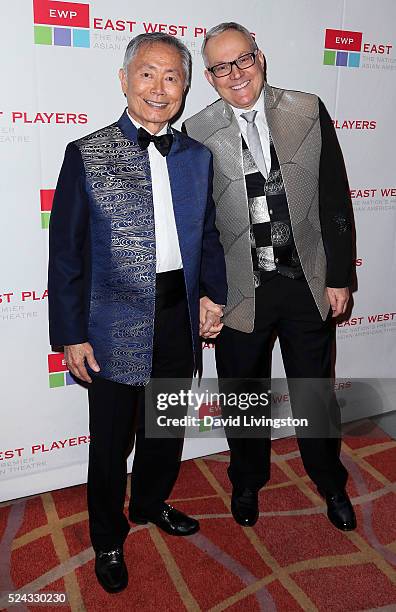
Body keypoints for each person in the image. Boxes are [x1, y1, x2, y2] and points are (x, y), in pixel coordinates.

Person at [48, 32, 227, 594]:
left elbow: (210, 237)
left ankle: (151, 503)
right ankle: (107, 537)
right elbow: (67, 254)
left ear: (185, 87)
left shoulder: (198, 156)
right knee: (109, 443)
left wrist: (211, 294)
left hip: (177, 313)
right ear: (124, 81)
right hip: (110, 321)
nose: (159, 87)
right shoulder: (87, 152)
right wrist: (71, 334)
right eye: (146, 74)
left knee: (165, 427)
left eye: (172, 76)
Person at [184, 22, 356, 532]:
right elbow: (196, 226)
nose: (236, 74)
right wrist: (206, 296)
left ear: (261, 57)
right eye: (221, 67)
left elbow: (334, 196)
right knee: (243, 395)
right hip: (239, 290)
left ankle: (330, 482)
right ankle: (246, 479)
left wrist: (340, 273)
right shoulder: (195, 132)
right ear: (209, 77)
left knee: (314, 394)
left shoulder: (306, 108)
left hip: (306, 282)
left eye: (243, 60)